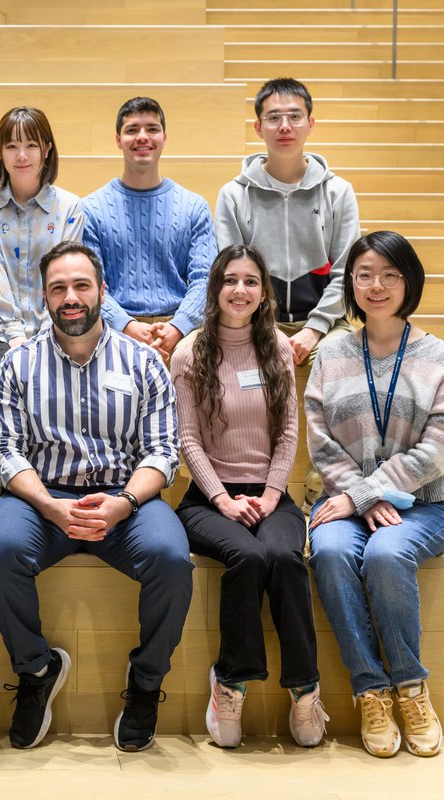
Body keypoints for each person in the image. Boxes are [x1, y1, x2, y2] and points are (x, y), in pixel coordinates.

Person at [0, 240, 194, 753]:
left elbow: (163, 451)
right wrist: (51, 506)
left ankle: (145, 684)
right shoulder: (17, 364)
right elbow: (4, 450)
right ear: (44, 298)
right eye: (58, 288)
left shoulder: (144, 362)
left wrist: (124, 503)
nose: (70, 297)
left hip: (125, 499)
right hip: (42, 500)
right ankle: (35, 670)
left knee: (171, 558)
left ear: (102, 290)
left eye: (81, 285)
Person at [305, 231, 444, 759]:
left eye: (390, 275)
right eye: (364, 275)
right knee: (327, 551)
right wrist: (362, 498)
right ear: (350, 284)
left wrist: (366, 495)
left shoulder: (441, 357)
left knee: (387, 553)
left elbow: (434, 453)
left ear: (409, 281)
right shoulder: (330, 353)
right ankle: (370, 689)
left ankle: (412, 687)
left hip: (422, 506)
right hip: (345, 501)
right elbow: (320, 442)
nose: (377, 286)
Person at [172, 245, 327, 750]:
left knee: (284, 555)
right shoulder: (190, 351)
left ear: (265, 294)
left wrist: (270, 492)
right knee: (247, 554)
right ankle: (231, 685)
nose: (240, 290)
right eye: (230, 280)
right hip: (206, 499)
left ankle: (305, 690)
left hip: (269, 494)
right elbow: (188, 439)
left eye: (252, 281)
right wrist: (222, 500)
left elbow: (288, 433)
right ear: (215, 289)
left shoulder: (278, 349)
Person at [214, 78, 360, 368]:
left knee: (340, 359)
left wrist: (314, 328)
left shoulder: (338, 192)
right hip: (253, 322)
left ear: (310, 123)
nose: (285, 126)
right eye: (273, 117)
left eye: (295, 116)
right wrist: (264, 330)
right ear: (258, 127)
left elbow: (347, 274)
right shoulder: (232, 194)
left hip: (326, 324)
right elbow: (233, 278)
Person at [81, 96, 217, 359]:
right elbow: (89, 283)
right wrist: (127, 325)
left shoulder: (194, 206)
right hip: (111, 329)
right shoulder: (91, 209)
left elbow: (206, 279)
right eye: (132, 130)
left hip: (183, 331)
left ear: (164, 138)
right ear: (118, 139)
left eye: (152, 129)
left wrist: (178, 327)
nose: (142, 137)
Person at [0, 106, 84, 378]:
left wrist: (46, 337)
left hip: (58, 328)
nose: (21, 155)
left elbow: (64, 278)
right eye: (12, 146)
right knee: (14, 376)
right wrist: (15, 338)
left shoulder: (70, 207)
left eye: (31, 145)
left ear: (46, 149)